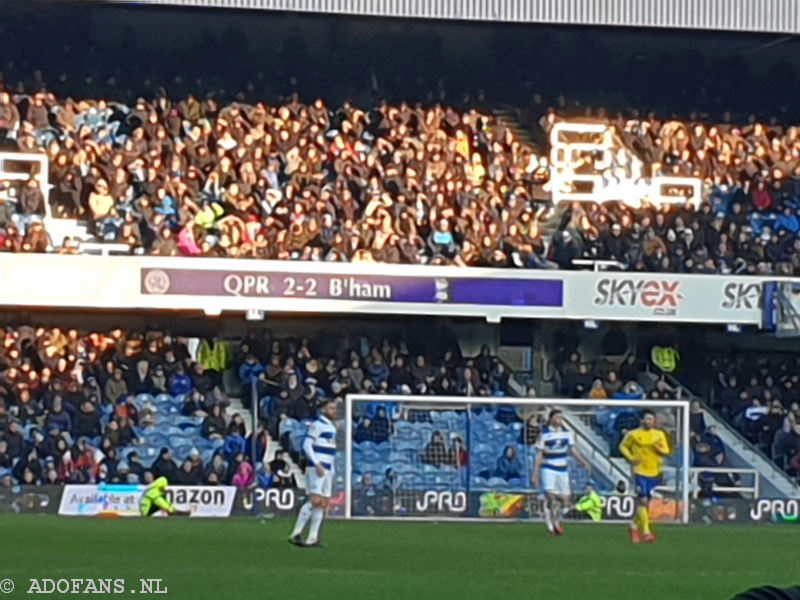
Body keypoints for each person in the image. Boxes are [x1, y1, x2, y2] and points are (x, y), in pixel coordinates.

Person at [531, 409, 591, 536]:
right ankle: (551, 526)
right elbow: (539, 454)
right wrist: (535, 473)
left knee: (565, 499)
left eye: (561, 417)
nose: (560, 419)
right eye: (558, 417)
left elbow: (573, 450)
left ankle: (556, 521)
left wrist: (583, 461)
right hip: (548, 467)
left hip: (562, 468)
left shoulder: (567, 433)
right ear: (552, 419)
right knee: (551, 497)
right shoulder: (544, 434)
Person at [289, 397, 337, 547]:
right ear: (323, 410)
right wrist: (317, 464)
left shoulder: (331, 427)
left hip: (327, 468)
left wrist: (332, 468)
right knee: (315, 500)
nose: (334, 411)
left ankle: (313, 538)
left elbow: (331, 449)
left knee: (323, 503)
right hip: (317, 468)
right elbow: (306, 445)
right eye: (331, 408)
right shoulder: (317, 425)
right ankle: (295, 533)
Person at [618, 409, 671, 543]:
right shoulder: (633, 434)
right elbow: (622, 446)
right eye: (647, 419)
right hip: (639, 471)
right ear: (642, 420)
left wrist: (658, 448)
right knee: (643, 500)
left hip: (654, 472)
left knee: (646, 503)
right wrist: (630, 458)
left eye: (651, 419)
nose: (649, 422)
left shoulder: (659, 434)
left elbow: (666, 450)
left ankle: (634, 526)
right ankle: (646, 532)